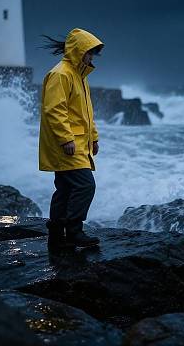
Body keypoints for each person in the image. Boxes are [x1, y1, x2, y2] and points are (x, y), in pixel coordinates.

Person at [39, 28, 104, 249]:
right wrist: (66, 139)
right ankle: (74, 231)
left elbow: (85, 112)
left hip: (77, 143)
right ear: (79, 51)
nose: (91, 57)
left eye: (93, 53)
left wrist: (93, 139)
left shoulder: (79, 75)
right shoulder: (61, 74)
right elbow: (54, 110)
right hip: (67, 145)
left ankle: (56, 238)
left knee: (65, 189)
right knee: (85, 186)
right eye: (89, 52)